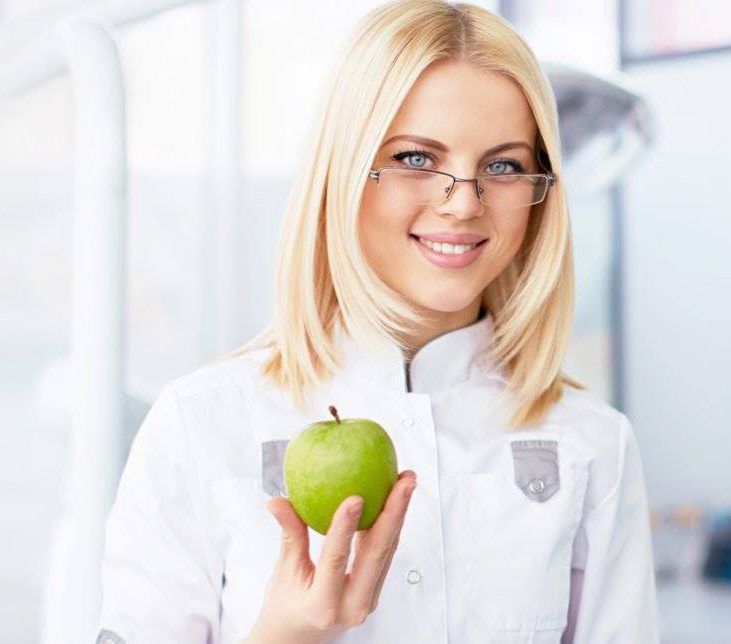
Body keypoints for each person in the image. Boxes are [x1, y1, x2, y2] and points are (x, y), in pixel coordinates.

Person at [95, 1, 658, 642]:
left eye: (502, 166)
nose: (464, 203)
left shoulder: (593, 444)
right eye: (417, 158)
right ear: (343, 169)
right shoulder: (201, 423)